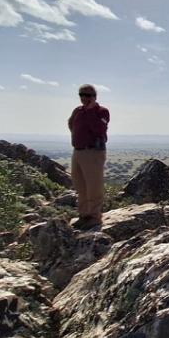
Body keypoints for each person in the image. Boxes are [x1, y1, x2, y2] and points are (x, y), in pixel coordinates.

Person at [67, 84, 109, 230]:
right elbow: (71, 124)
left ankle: (95, 216)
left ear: (95, 97)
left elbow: (99, 129)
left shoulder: (101, 111)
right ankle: (84, 215)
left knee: (93, 185)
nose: (84, 97)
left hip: (93, 152)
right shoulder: (77, 111)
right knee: (80, 185)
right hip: (78, 151)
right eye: (82, 94)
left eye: (88, 95)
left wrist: (91, 111)